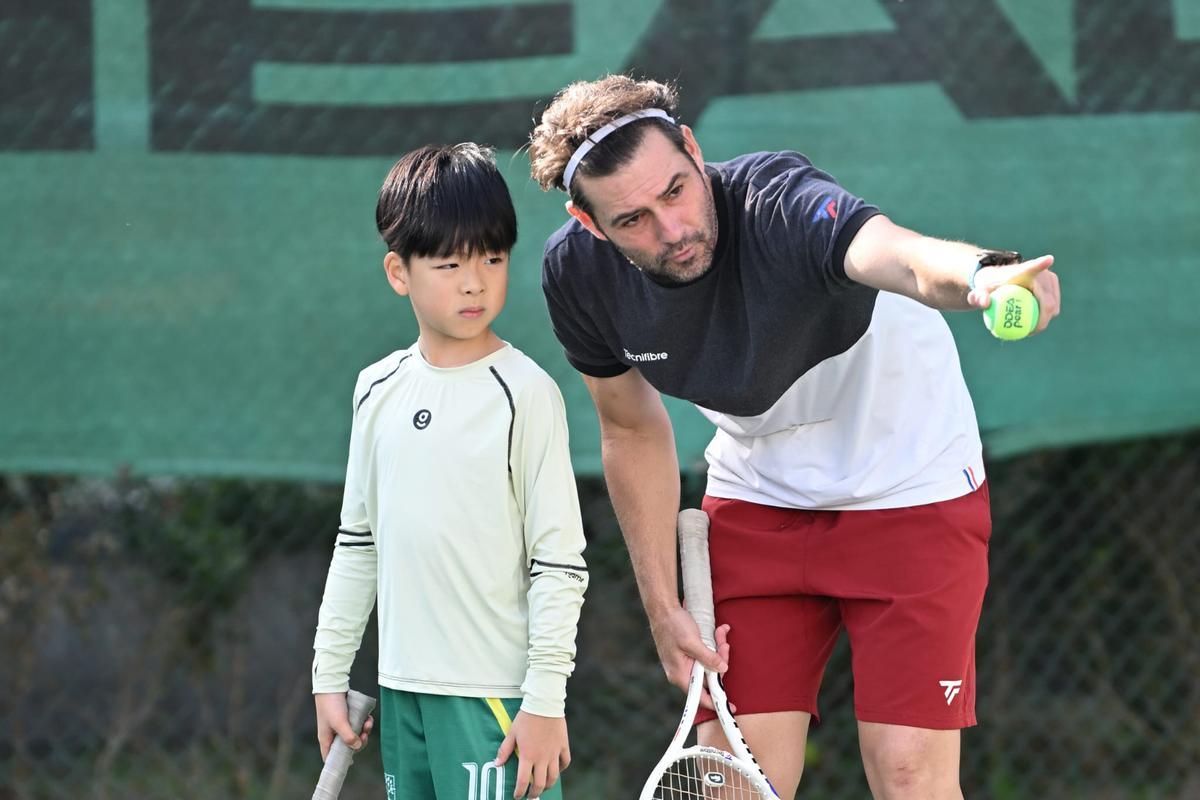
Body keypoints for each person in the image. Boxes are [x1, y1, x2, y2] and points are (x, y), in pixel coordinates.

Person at [528, 75, 1061, 799]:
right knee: (732, 782)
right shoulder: (578, 276)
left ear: (693, 149)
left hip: (910, 485)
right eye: (634, 220)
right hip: (759, 497)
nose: (673, 229)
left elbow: (900, 255)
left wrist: (982, 274)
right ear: (590, 224)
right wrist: (662, 605)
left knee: (910, 777)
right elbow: (629, 424)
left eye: (677, 191)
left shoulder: (779, 203)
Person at [312, 143, 588, 800]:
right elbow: (359, 541)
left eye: (493, 258)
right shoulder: (375, 388)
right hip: (401, 694)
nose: (475, 281)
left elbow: (560, 563)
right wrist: (329, 671)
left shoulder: (527, 394)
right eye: (450, 263)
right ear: (398, 272)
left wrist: (546, 699)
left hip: (494, 702)